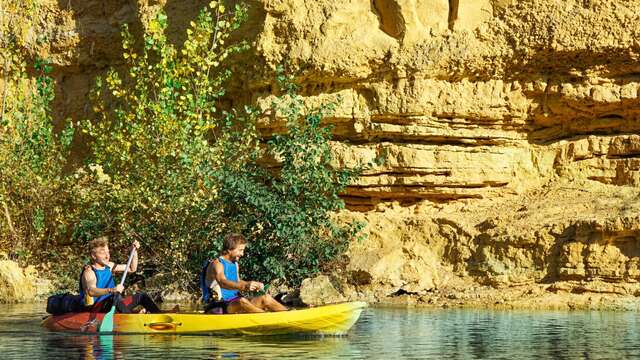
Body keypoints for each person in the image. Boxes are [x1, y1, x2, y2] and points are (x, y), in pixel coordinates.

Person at [202, 233, 287, 314]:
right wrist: (244, 286)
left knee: (266, 298)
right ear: (229, 249)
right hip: (216, 306)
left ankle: (288, 315)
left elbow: (238, 281)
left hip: (233, 302)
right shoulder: (217, 264)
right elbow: (222, 282)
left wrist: (250, 284)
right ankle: (267, 319)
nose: (242, 254)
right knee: (242, 301)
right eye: (240, 250)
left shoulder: (235, 264)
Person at [80, 236, 162, 314]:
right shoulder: (89, 272)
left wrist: (134, 251)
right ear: (93, 256)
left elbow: (132, 268)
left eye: (108, 252)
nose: (107, 256)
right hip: (97, 308)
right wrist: (112, 290)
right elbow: (91, 291)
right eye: (103, 252)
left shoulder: (110, 266)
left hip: (115, 304)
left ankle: (159, 316)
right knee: (114, 297)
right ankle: (131, 319)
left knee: (142, 296)